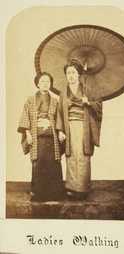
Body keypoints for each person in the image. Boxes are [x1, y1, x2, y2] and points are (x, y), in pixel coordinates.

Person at [56, 59, 103, 201]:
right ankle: (71, 187)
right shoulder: (63, 93)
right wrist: (60, 131)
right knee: (70, 156)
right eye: (68, 72)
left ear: (79, 75)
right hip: (69, 127)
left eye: (73, 72)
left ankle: (83, 188)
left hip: (83, 126)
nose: (70, 75)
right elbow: (59, 113)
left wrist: (88, 102)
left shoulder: (88, 91)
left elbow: (99, 106)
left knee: (83, 155)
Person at [18, 71, 63, 201]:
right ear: (37, 83)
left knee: (54, 162)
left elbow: (59, 118)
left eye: (48, 81)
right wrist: (28, 134)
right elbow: (25, 117)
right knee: (38, 162)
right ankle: (38, 191)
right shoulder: (30, 100)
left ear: (51, 84)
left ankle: (55, 192)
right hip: (36, 136)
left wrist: (58, 130)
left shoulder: (54, 101)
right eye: (42, 81)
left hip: (51, 135)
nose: (45, 84)